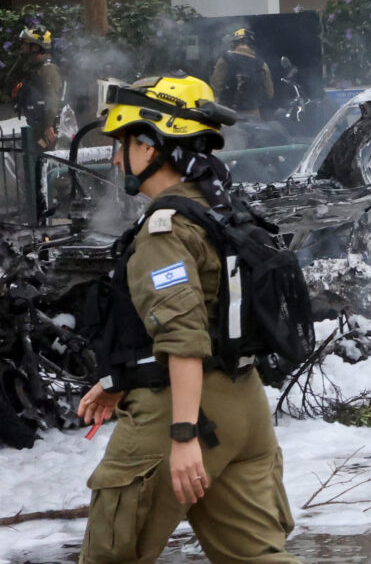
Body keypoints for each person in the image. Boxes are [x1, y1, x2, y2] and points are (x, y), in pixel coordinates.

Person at [76, 74, 300, 564]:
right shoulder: (224, 211)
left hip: (182, 411)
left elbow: (183, 338)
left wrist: (182, 436)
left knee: (109, 557)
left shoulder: (164, 231)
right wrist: (120, 380)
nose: (117, 158)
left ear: (153, 143)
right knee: (258, 557)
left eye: (123, 142)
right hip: (245, 406)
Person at [3, 28, 63, 149]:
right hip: (35, 123)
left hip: (46, 127)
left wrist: (48, 125)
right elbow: (8, 82)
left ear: (35, 48)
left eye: (25, 43)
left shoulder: (48, 69)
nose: (22, 47)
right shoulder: (32, 67)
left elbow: (52, 98)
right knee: (32, 157)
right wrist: (21, 59)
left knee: (42, 159)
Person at [210, 28, 274, 116]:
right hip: (252, 114)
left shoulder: (225, 59)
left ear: (234, 43)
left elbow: (216, 85)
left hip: (227, 114)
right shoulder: (262, 64)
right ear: (252, 45)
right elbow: (269, 93)